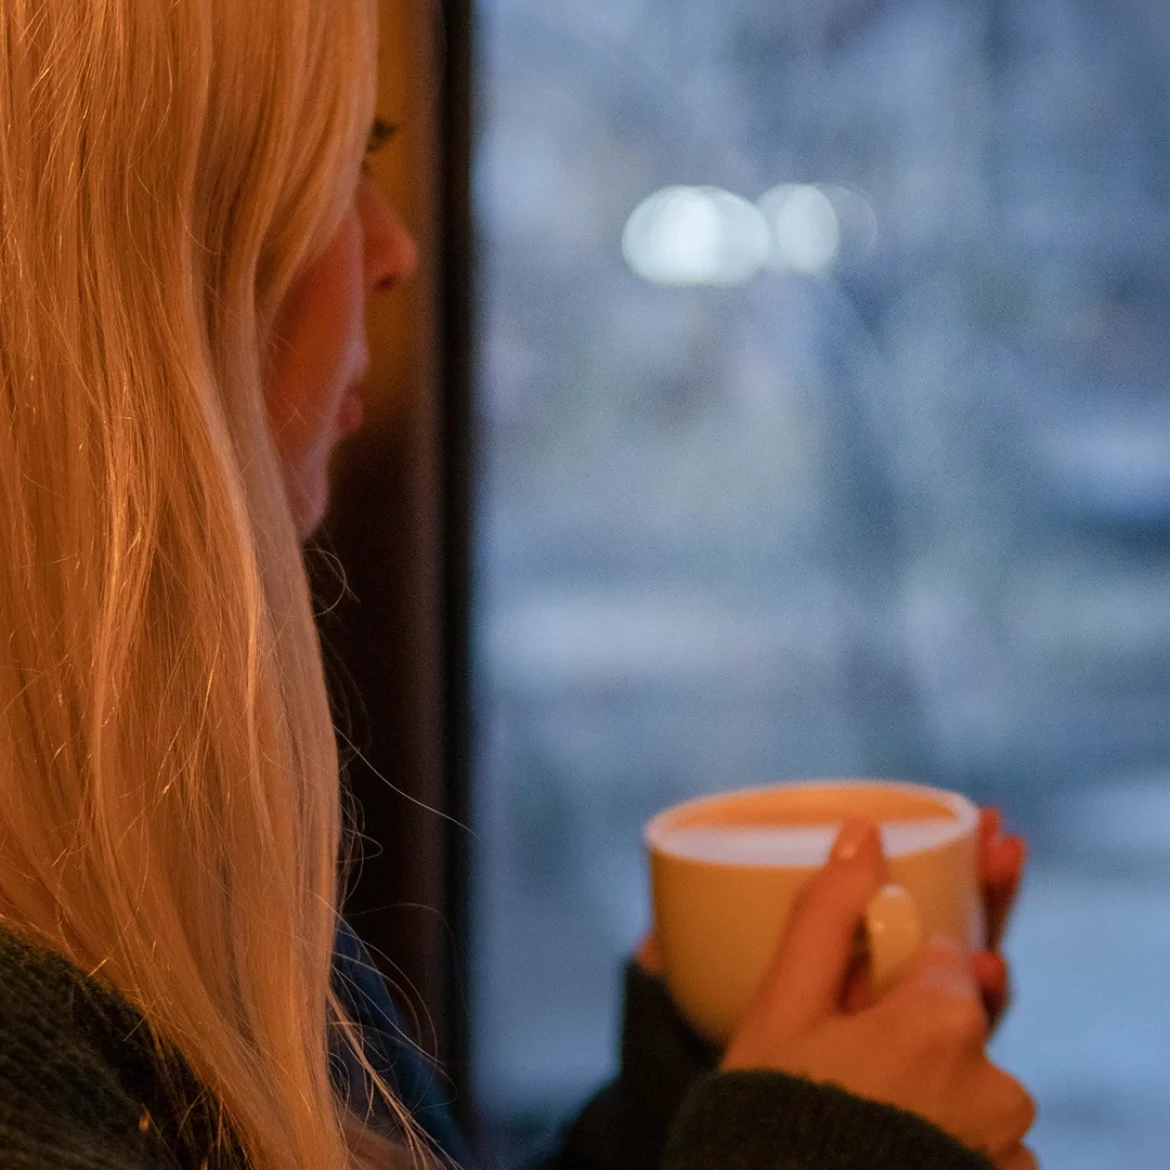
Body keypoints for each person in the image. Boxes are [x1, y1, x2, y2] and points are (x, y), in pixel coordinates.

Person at [0, 2, 1035, 1169]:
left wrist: (714, 1085)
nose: (394, 251)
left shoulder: (146, 880)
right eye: (337, 170)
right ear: (124, 281)